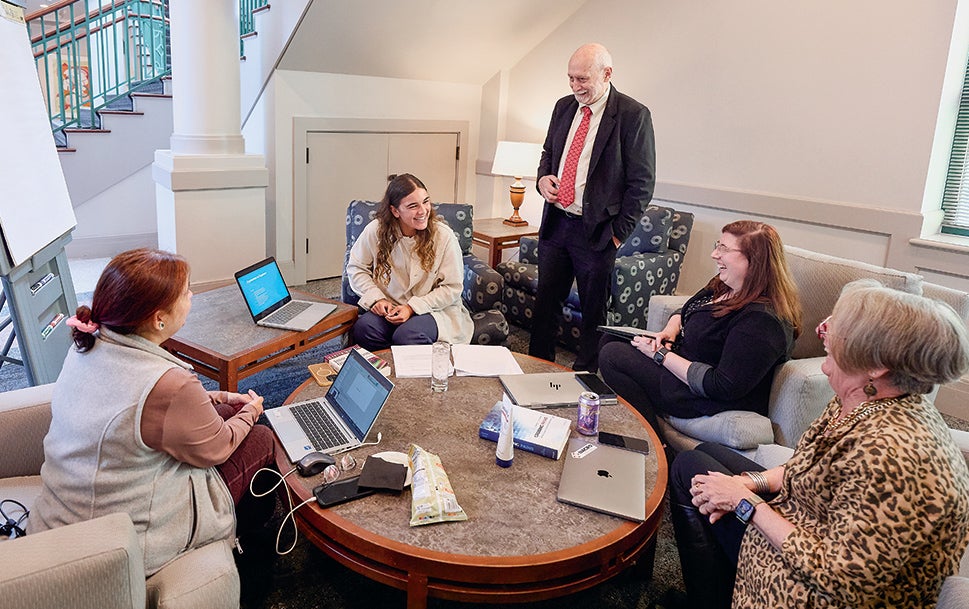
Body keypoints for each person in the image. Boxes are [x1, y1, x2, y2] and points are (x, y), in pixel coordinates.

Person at [670, 280, 969, 608]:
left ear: (876, 365)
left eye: (838, 325)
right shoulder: (860, 396)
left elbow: (841, 580)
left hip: (820, 592)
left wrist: (744, 502)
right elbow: (806, 466)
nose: (822, 328)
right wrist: (749, 483)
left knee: (691, 469)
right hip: (812, 519)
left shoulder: (893, 456)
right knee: (709, 456)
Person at [29, 249, 277, 585]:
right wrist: (250, 410)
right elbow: (217, 448)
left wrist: (219, 397)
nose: (192, 296)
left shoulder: (90, 344)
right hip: (131, 534)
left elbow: (139, 405)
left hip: (72, 507)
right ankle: (251, 546)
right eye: (187, 292)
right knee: (262, 437)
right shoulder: (170, 383)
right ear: (159, 319)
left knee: (224, 412)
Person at [599, 220, 801, 433]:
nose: (714, 255)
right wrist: (672, 328)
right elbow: (690, 308)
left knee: (613, 355)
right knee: (611, 338)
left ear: (755, 260)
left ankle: (652, 437)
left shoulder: (762, 321)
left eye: (724, 249)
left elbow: (721, 385)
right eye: (717, 245)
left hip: (700, 392)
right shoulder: (725, 284)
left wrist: (660, 355)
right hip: (684, 363)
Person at [528, 42, 656, 372]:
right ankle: (537, 370)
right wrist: (543, 180)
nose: (575, 87)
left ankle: (585, 380)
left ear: (607, 73)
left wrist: (617, 236)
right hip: (557, 223)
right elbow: (547, 154)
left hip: (597, 233)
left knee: (593, 314)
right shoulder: (563, 107)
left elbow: (641, 184)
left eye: (582, 79)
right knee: (545, 306)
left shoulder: (632, 115)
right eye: (570, 79)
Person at [347, 172, 473, 350]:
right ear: (395, 211)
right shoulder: (375, 230)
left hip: (434, 309)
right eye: (413, 206)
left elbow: (452, 288)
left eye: (426, 201)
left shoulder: (444, 236)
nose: (423, 211)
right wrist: (377, 300)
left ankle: (410, 374)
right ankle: (385, 372)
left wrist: (412, 307)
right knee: (364, 329)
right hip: (390, 306)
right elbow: (356, 268)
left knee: (407, 335)